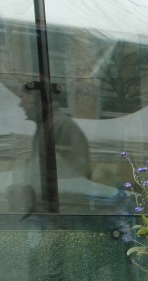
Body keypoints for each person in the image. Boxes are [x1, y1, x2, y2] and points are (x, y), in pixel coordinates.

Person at [8, 82, 92, 214]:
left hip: (62, 211)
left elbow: (77, 173)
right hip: (50, 208)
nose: (20, 104)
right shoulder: (46, 125)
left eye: (22, 97)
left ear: (35, 97)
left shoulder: (60, 125)